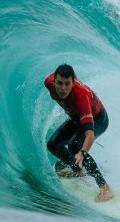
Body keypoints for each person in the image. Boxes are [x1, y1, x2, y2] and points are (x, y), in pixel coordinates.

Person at [44, 64, 113, 202]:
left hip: (98, 118)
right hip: (76, 117)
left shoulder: (81, 97)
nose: (63, 88)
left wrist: (82, 153)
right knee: (53, 144)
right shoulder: (49, 82)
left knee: (75, 146)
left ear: (73, 82)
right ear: (54, 81)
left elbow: (90, 135)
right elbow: (65, 74)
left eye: (67, 84)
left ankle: (105, 188)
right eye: (60, 83)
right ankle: (78, 170)